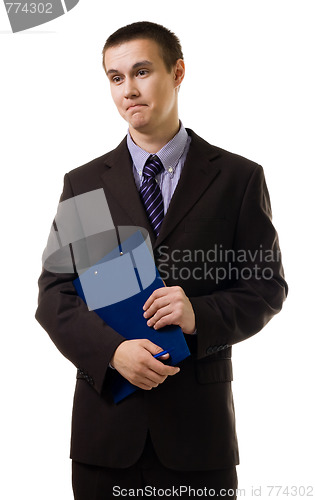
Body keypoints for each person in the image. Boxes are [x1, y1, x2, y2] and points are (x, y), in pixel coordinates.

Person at [35, 21, 288, 499]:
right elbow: (55, 298)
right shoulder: (85, 185)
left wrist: (200, 315)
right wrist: (111, 354)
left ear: (178, 73)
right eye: (115, 77)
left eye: (142, 71)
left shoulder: (236, 178)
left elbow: (265, 286)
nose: (128, 89)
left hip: (199, 434)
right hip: (106, 433)